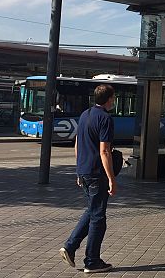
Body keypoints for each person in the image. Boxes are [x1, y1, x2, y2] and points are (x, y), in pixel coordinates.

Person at [60, 84, 117, 273]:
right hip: (96, 173)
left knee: (92, 211)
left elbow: (77, 144)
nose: (114, 100)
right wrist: (111, 178)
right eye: (113, 97)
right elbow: (104, 151)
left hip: (84, 171)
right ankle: (92, 261)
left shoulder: (85, 114)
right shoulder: (105, 119)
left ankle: (70, 246)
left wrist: (78, 170)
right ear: (109, 99)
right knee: (98, 218)